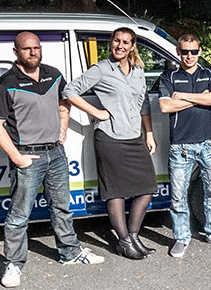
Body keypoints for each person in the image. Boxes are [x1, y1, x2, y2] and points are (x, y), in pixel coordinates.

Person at [0, 32, 105, 288]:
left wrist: (63, 125)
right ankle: (14, 265)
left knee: (61, 207)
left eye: (36, 48)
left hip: (56, 153)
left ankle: (70, 253)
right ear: (16, 52)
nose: (33, 53)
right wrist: (17, 158)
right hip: (28, 155)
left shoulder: (53, 74)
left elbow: (65, 100)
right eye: (27, 49)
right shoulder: (5, 84)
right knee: (19, 215)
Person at [63, 27, 158, 260]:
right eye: (117, 41)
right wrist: (96, 111)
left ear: (133, 46)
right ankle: (124, 241)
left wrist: (149, 133)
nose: (121, 46)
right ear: (111, 43)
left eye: (126, 42)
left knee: (147, 188)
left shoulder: (137, 70)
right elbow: (69, 90)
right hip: (110, 138)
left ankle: (134, 235)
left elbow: (143, 103)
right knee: (115, 193)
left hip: (135, 137)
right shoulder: (101, 70)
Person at [158, 34, 211, 257]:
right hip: (180, 146)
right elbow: (165, 107)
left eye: (193, 51)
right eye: (184, 52)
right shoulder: (168, 76)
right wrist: (199, 97)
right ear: (178, 52)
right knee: (178, 196)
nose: (189, 56)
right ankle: (181, 237)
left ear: (200, 52)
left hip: (208, 143)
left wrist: (181, 96)